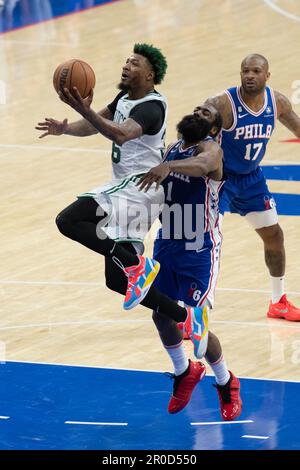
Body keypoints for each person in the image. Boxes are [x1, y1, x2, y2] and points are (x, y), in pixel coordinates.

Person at [35, 43, 207, 360]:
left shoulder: (152, 107)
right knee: (116, 280)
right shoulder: (125, 98)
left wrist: (85, 110)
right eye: (126, 60)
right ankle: (188, 318)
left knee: (69, 220)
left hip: (139, 187)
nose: (126, 65)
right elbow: (97, 122)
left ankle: (137, 265)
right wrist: (67, 128)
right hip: (132, 191)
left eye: (135, 62)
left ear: (150, 73)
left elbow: (121, 134)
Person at [136, 105, 242, 421]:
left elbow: (203, 164)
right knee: (161, 315)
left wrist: (168, 167)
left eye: (206, 114)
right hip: (168, 242)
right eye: (197, 108)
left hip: (199, 250)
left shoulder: (212, 151)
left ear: (213, 130)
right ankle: (184, 372)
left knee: (197, 327)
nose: (198, 112)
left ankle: (226, 381)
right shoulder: (172, 148)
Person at [203, 53, 300, 321]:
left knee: (275, 236)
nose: (249, 75)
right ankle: (195, 312)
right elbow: (188, 134)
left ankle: (278, 301)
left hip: (251, 180)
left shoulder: (276, 102)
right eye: (245, 70)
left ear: (267, 75)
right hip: (219, 180)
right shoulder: (222, 104)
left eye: (256, 71)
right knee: (209, 245)